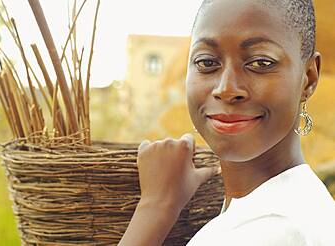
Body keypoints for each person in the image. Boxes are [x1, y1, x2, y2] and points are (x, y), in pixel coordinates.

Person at [118, 0, 335, 245]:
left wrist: (155, 207)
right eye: (207, 62)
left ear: (308, 78)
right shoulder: (302, 203)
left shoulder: (272, 230)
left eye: (260, 62)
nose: (226, 89)